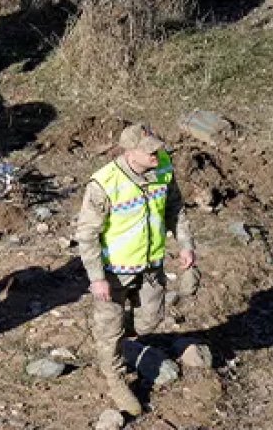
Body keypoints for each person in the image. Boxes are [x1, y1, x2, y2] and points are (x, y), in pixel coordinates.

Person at [75, 123, 196, 416]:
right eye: (149, 150)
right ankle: (114, 376)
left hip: (151, 268)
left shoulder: (163, 168)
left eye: (157, 146)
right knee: (110, 329)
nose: (157, 153)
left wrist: (185, 244)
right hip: (113, 272)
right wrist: (97, 279)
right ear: (130, 152)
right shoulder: (104, 183)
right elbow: (87, 234)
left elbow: (175, 209)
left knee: (148, 322)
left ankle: (114, 337)